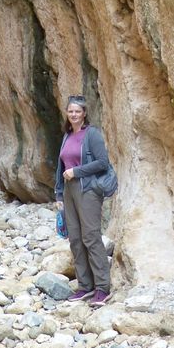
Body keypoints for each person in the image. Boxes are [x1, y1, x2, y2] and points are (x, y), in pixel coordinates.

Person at [54, 95, 111, 307]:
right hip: (69, 190)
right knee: (75, 239)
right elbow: (61, 167)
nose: (74, 114)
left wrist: (77, 171)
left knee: (91, 237)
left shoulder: (92, 134)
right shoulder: (67, 135)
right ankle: (85, 286)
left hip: (88, 189)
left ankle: (102, 288)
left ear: (84, 113)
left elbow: (102, 163)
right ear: (67, 114)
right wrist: (59, 194)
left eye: (78, 111)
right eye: (71, 111)